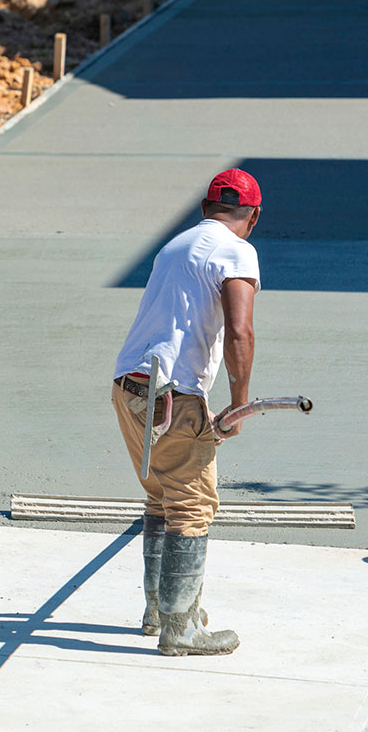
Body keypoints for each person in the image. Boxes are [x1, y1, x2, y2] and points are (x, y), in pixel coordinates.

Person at [112, 168, 262, 655]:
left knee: (161, 496)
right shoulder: (237, 251)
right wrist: (239, 405)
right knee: (193, 506)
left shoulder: (173, 246)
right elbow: (240, 331)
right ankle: (181, 629)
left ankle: (158, 611)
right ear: (253, 217)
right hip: (174, 395)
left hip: (129, 385)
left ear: (204, 209)